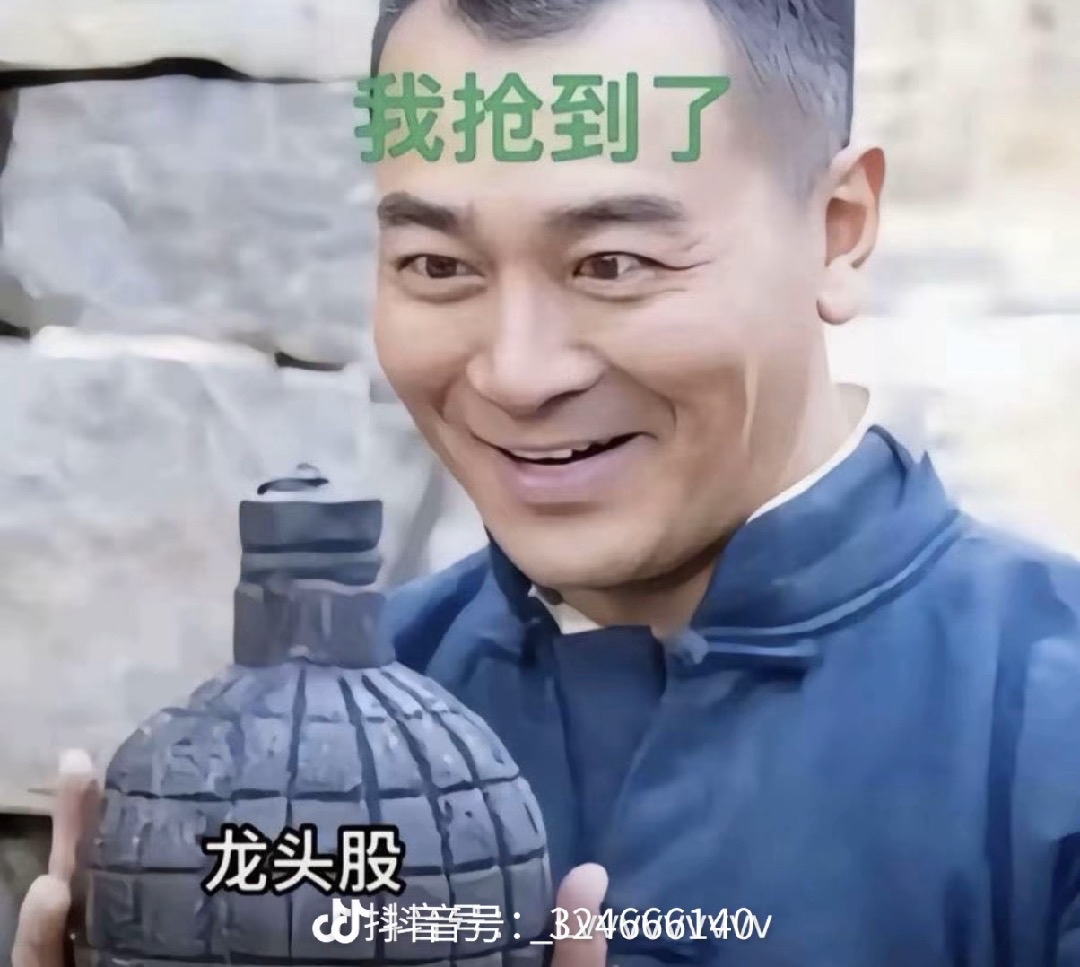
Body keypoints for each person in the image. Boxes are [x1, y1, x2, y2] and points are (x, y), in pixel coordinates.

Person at [15, 0, 1080, 963]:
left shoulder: (1047, 729)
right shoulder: (317, 752)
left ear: (837, 231)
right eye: (439, 267)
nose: (517, 374)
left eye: (613, 263)